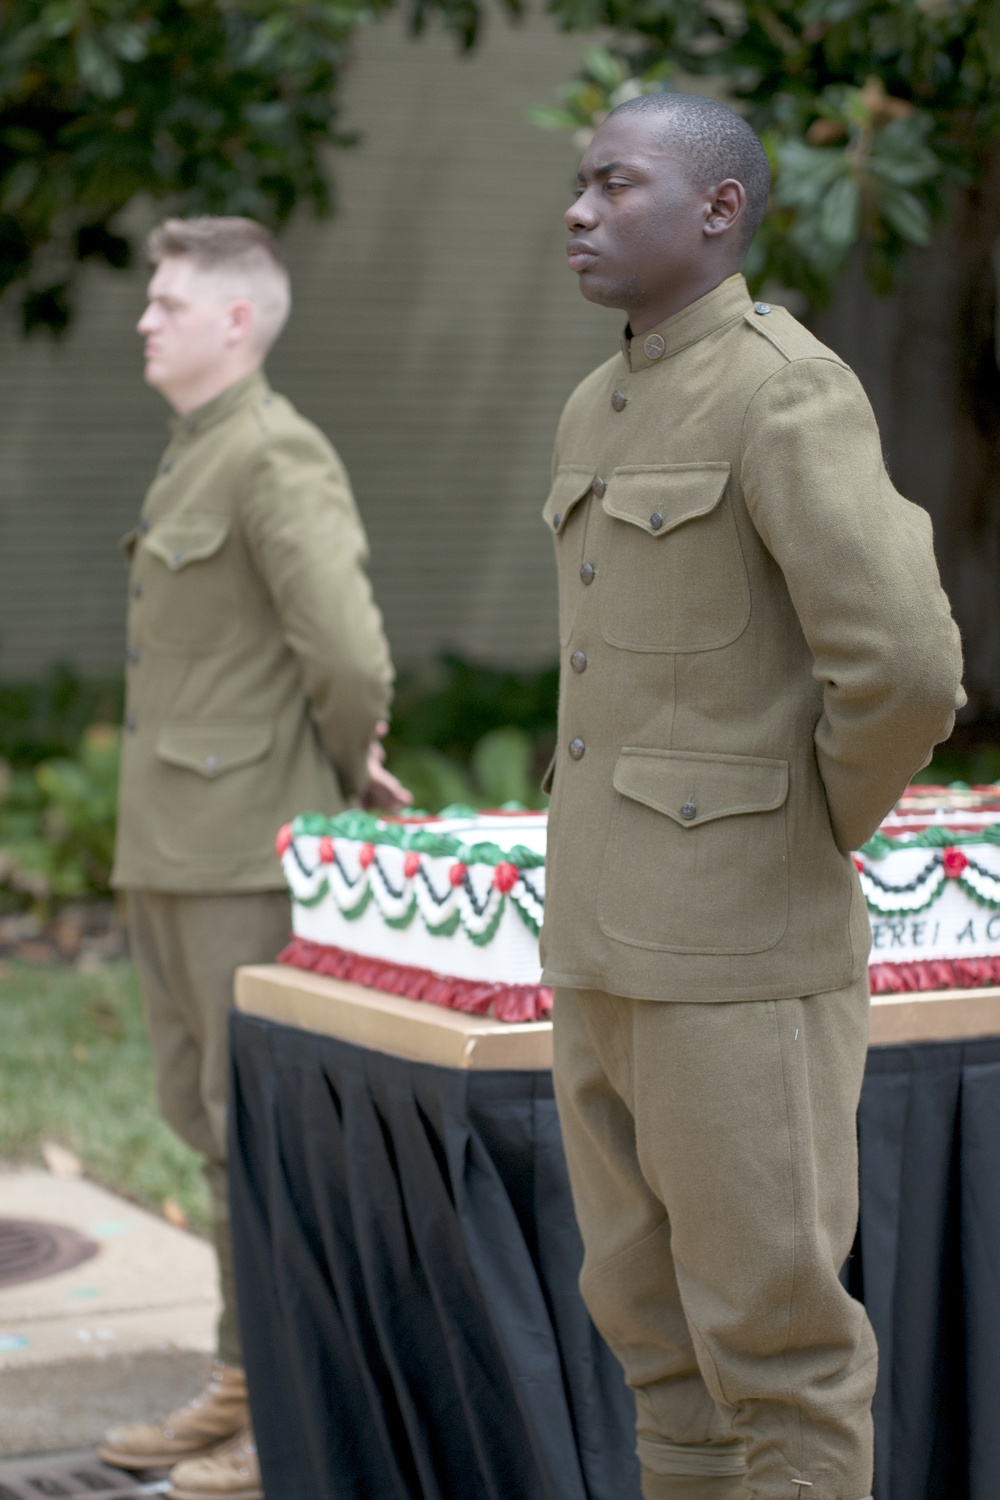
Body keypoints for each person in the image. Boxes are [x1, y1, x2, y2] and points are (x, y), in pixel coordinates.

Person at [543, 93, 964, 1500]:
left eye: (618, 184)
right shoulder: (597, 404)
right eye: (579, 185)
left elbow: (902, 665)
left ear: (720, 211)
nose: (580, 209)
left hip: (736, 956)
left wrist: (810, 825)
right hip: (603, 950)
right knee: (654, 1341)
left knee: (776, 1352)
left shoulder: (785, 387)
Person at [99, 217, 405, 1500]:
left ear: (237, 321)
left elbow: (347, 654)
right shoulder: (195, 458)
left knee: (259, 1139)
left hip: (241, 853)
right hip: (170, 849)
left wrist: (342, 775)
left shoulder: (275, 455)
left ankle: (291, 1414)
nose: (143, 319)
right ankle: (242, 1376)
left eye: (167, 303)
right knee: (205, 1125)